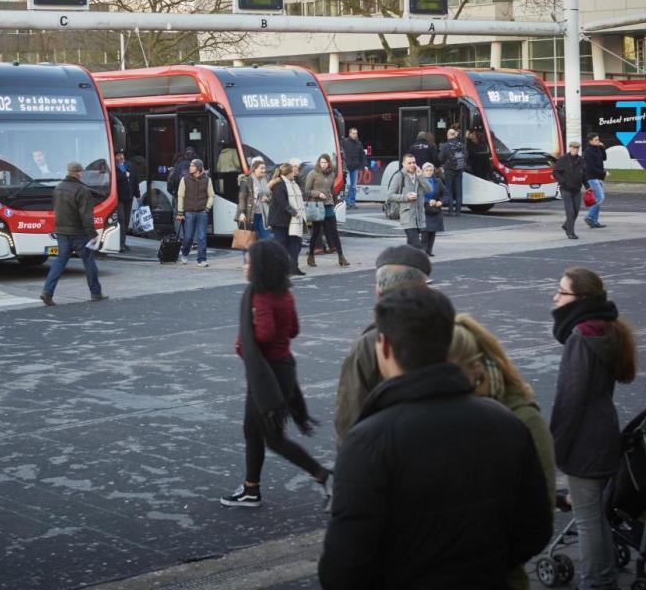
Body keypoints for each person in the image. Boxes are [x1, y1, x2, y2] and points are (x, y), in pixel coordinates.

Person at [319, 288, 553, 589]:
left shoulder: (368, 441)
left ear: (384, 346)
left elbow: (343, 567)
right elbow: (534, 528)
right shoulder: (506, 423)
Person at [449, 312, 557, 590]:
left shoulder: (522, 417)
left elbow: (538, 519)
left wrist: (485, 561)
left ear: (474, 367)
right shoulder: (440, 413)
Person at [221, 239, 332, 508]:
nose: (244, 265)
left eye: (248, 261)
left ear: (260, 267)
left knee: (274, 438)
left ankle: (323, 475)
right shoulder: (285, 293)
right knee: (251, 429)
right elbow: (293, 330)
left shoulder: (259, 296)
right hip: (279, 370)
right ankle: (251, 488)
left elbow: (266, 333)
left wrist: (248, 336)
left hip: (268, 376)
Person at [549, 267, 638, 590]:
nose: (555, 296)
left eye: (562, 291)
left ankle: (596, 581)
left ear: (580, 299)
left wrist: (555, 446)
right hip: (602, 431)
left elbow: (570, 399)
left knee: (587, 519)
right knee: (595, 514)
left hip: (586, 440)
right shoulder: (602, 329)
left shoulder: (581, 338)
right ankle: (604, 575)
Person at [334, 243, 433, 443]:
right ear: (425, 288)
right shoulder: (454, 332)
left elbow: (349, 418)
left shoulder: (370, 344)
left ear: (379, 291)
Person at [39, 162, 106, 306]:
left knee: (59, 262)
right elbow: (86, 216)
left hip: (62, 232)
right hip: (79, 233)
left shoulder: (58, 188)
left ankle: (47, 292)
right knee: (89, 261)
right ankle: (96, 293)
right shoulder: (82, 190)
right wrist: (92, 233)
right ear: (79, 173)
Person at [303, 153, 348, 268]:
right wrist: (318, 194)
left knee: (334, 231)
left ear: (328, 163)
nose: (323, 165)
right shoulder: (313, 173)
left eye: (325, 162)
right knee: (316, 232)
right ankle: (311, 256)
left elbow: (331, 190)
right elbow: (307, 190)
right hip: (317, 205)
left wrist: (332, 198)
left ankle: (341, 257)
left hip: (328, 205)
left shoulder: (332, 174)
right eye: (321, 162)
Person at [267, 162, 306, 275]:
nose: (295, 174)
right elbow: (282, 202)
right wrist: (294, 213)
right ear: (288, 173)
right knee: (281, 246)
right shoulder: (279, 185)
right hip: (279, 221)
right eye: (293, 171)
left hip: (291, 220)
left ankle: (294, 267)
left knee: (296, 243)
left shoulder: (293, 183)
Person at [386, 153, 430, 249]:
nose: (412, 165)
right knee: (417, 245)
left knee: (411, 246)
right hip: (407, 216)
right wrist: (406, 197)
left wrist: (420, 177)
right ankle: (418, 263)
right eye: (409, 163)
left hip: (419, 216)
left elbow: (429, 189)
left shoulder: (419, 175)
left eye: (414, 162)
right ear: (403, 164)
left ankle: (406, 262)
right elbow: (389, 196)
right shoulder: (399, 176)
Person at [176, 158, 214, 267]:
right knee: (188, 236)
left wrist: (207, 208)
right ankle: (184, 253)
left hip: (202, 211)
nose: (190, 167)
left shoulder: (207, 179)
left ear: (198, 168)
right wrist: (180, 212)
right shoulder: (185, 179)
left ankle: (201, 259)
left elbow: (211, 195)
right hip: (189, 212)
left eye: (192, 166)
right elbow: (180, 195)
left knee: (202, 236)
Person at [236, 158, 271, 264]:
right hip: (249, 214)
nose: (264, 170)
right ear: (254, 169)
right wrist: (242, 213)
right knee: (248, 239)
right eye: (261, 168)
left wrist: (268, 199)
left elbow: (270, 195)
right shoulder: (246, 180)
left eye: (265, 168)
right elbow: (242, 198)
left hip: (262, 214)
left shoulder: (266, 179)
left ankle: (265, 261)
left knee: (266, 238)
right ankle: (247, 262)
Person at [553, 141, 588, 240]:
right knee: (570, 212)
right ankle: (570, 232)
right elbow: (555, 173)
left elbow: (584, 175)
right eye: (573, 148)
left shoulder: (581, 160)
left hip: (577, 189)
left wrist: (588, 186)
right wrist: (563, 181)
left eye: (577, 148)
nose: (575, 149)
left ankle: (566, 225)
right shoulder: (563, 159)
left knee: (576, 211)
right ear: (570, 148)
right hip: (566, 190)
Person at [420, 163, 449, 256]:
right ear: (423, 171)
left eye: (431, 170)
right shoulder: (419, 181)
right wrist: (428, 201)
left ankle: (429, 250)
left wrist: (440, 201)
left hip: (435, 210)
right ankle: (423, 251)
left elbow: (447, 195)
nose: (429, 172)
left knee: (432, 232)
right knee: (425, 232)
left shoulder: (438, 181)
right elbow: (417, 196)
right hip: (423, 210)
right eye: (426, 170)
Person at [437, 127, 467, 216]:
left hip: (449, 170)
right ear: (455, 135)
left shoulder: (445, 146)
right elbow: (466, 156)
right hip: (459, 169)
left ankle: (450, 211)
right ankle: (458, 211)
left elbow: (440, 158)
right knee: (459, 190)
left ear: (448, 135)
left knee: (449, 189)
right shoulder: (462, 145)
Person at [114, 150, 137, 253]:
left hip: (129, 196)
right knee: (121, 219)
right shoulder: (113, 166)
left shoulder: (129, 165)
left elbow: (134, 179)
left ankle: (123, 242)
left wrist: (137, 193)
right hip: (118, 197)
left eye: (121, 155)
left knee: (126, 220)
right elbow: (114, 179)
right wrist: (124, 175)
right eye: (118, 155)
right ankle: (119, 243)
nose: (120, 157)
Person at [583, 132, 608, 229]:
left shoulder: (597, 148)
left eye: (598, 139)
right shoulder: (588, 152)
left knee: (596, 199)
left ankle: (594, 221)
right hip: (592, 178)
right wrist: (604, 173)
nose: (598, 141)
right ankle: (589, 217)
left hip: (598, 177)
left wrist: (602, 148)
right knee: (600, 198)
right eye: (596, 140)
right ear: (590, 141)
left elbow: (604, 158)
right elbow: (591, 168)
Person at [341, 127, 366, 208]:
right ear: (349, 133)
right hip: (347, 167)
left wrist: (364, 165)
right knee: (348, 185)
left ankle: (352, 202)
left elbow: (362, 154)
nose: (355, 135)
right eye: (353, 133)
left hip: (355, 167)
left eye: (356, 133)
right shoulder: (344, 142)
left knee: (353, 186)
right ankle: (347, 202)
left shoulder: (359, 143)